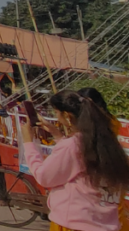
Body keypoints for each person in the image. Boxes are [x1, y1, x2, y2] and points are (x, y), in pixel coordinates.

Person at [21, 90, 129, 231]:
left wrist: (28, 143)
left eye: (57, 113)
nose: (57, 118)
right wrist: (57, 134)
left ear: (67, 115)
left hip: (73, 223)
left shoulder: (73, 145)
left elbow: (44, 176)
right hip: (107, 223)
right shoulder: (108, 143)